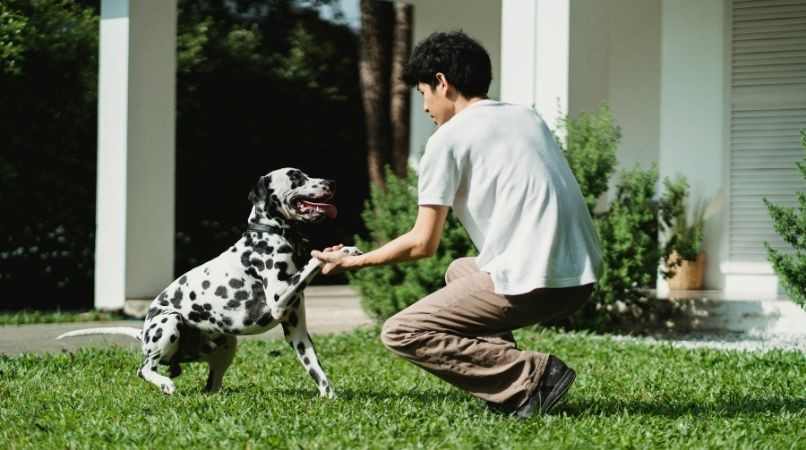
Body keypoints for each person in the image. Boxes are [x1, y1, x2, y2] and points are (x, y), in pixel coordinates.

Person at [312, 31, 603, 418]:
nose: (426, 107)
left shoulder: (447, 140)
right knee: (460, 270)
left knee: (401, 331)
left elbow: (422, 243)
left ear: (442, 83)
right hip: (580, 277)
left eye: (423, 93)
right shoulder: (526, 116)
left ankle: (532, 376)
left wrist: (357, 262)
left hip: (539, 282)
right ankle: (521, 391)